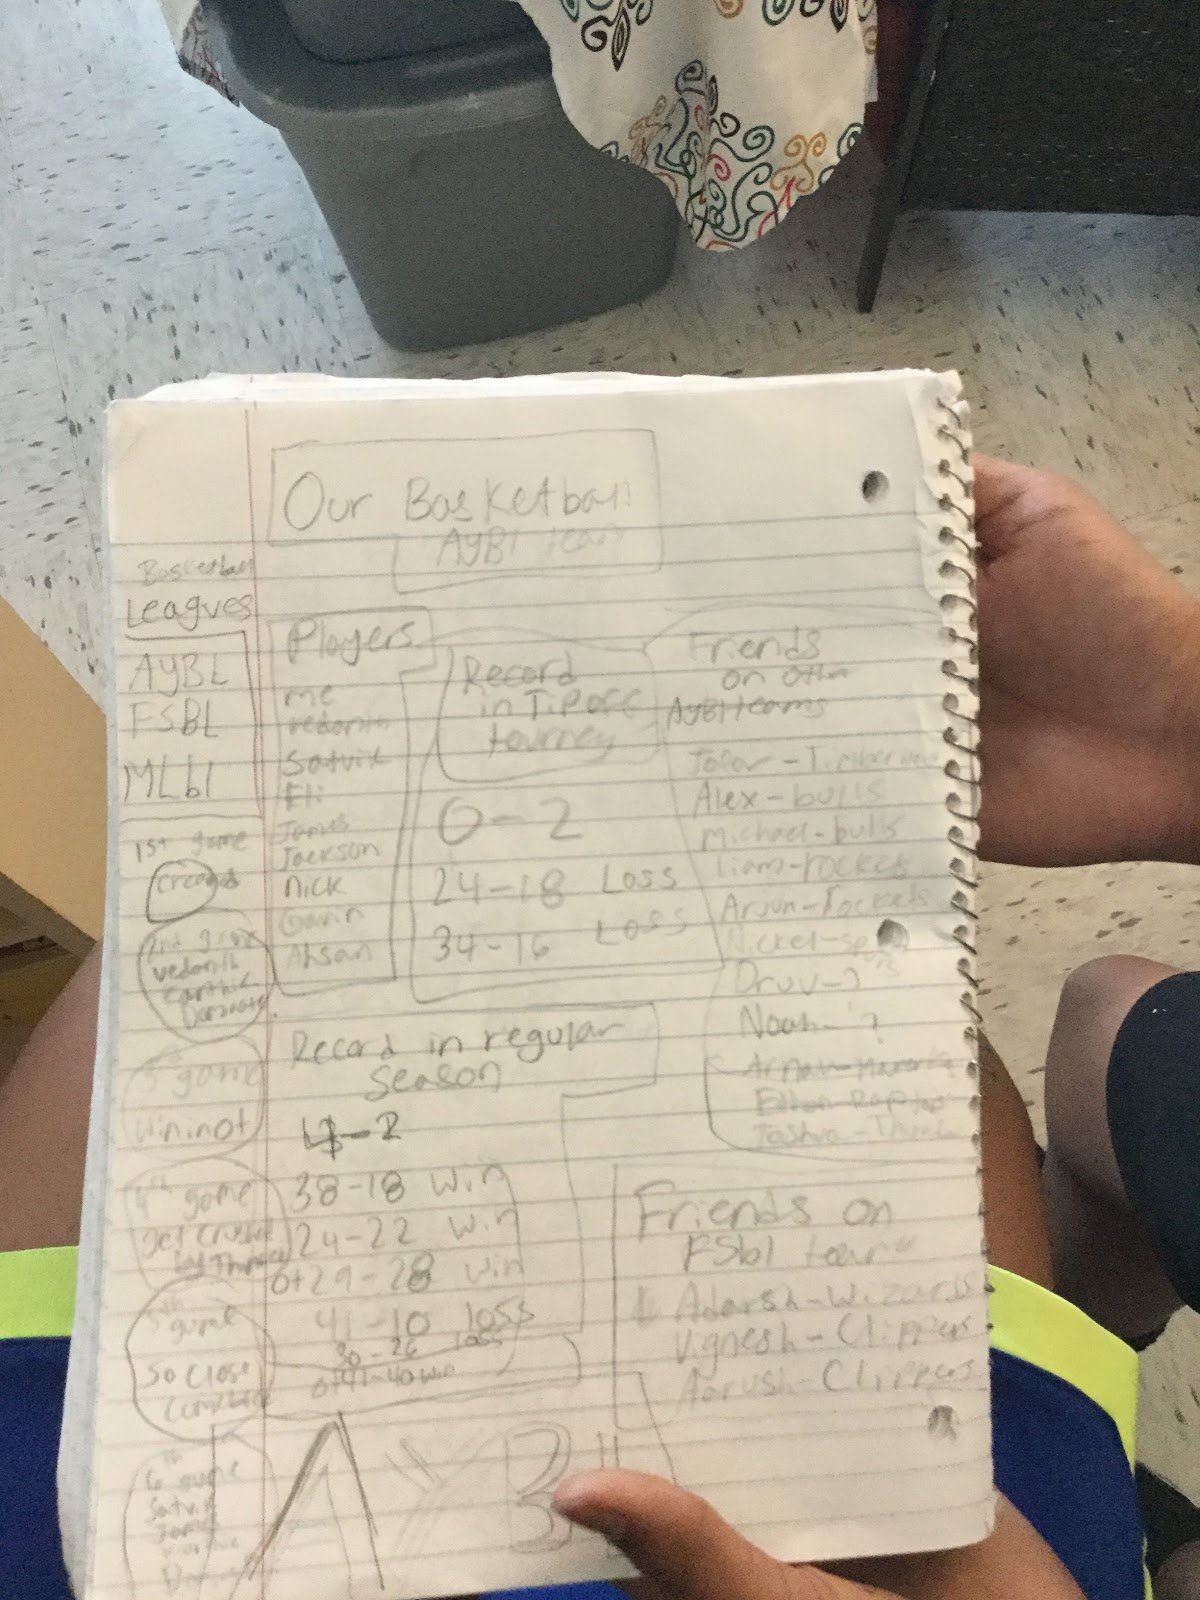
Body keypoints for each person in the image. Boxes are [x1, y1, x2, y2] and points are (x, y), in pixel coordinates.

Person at [3, 457, 1199, 1599]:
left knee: (213, 950)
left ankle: (1102, 1363)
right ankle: (1104, 1363)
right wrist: (1175, 727)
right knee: (1097, 1017)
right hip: (950, 1473)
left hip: (141, 1444)